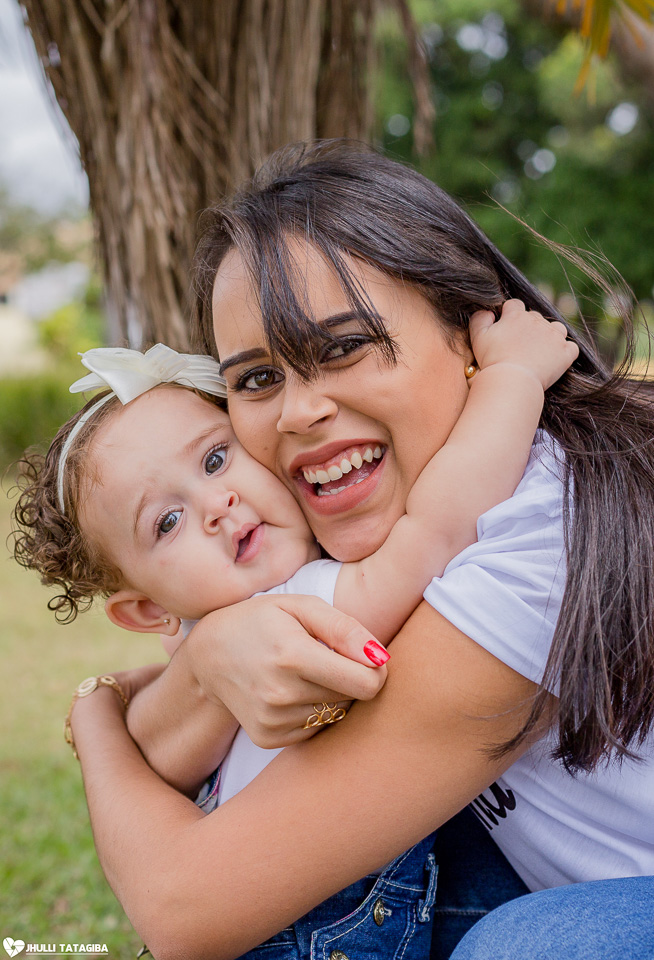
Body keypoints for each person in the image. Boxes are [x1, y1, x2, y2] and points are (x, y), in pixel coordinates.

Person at [62, 141, 654, 960]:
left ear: (470, 330)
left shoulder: (537, 531)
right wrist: (204, 664)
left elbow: (184, 907)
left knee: (529, 949)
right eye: (257, 380)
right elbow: (170, 741)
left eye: (342, 346)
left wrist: (94, 716)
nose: (298, 413)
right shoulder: (339, 537)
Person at [14, 307, 574, 959]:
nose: (216, 505)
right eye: (167, 522)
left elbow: (162, 758)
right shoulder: (300, 604)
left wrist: (103, 709)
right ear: (146, 611)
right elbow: (438, 526)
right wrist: (512, 379)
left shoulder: (203, 636)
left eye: (216, 459)